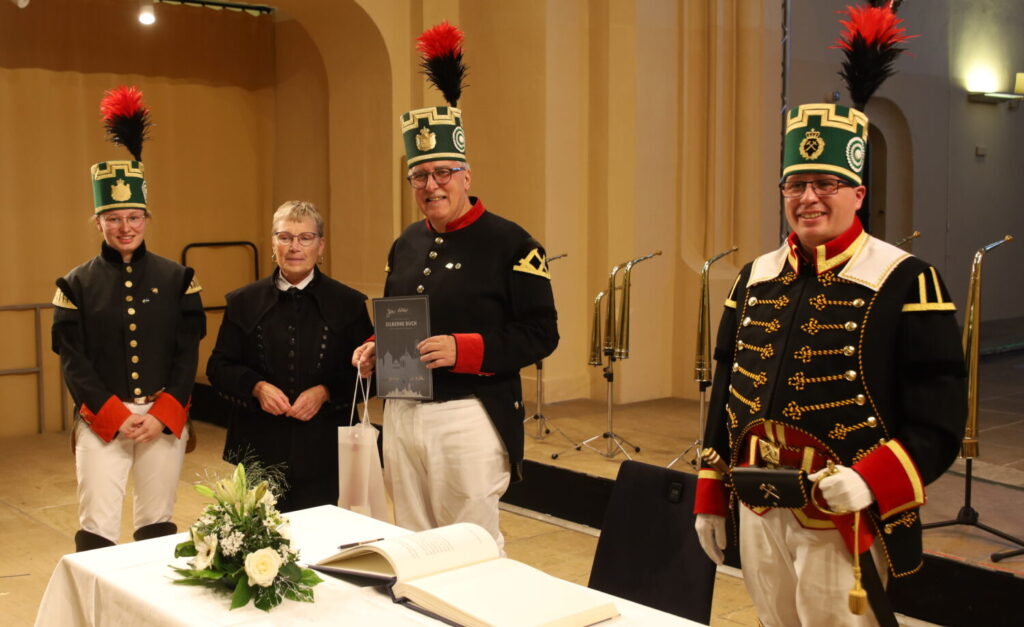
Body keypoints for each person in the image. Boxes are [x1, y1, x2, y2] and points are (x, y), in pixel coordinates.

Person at [693, 103, 967, 626]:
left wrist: (871, 480)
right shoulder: (753, 276)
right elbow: (728, 386)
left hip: (842, 512)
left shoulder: (905, 280)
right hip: (757, 504)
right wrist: (712, 485)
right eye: (795, 184)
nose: (808, 198)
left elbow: (941, 415)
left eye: (826, 183)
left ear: (858, 194)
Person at [352, 22, 559, 552]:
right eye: (419, 176)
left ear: (467, 174)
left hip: (470, 412)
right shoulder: (405, 243)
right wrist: (380, 349)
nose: (431, 185)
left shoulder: (512, 242)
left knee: (469, 545)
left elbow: (541, 334)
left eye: (443, 172)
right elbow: (402, 318)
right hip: (401, 410)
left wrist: (465, 349)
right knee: (413, 543)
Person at [52, 86, 206, 552]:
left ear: (147, 217)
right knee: (96, 528)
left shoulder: (179, 278)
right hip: (103, 420)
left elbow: (186, 353)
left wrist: (163, 414)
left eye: (134, 216)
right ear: (97, 221)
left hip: (164, 417)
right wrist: (116, 417)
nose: (125, 227)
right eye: (114, 217)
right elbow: (73, 363)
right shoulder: (74, 284)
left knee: (157, 525)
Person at [207, 200, 374, 513]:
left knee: (325, 539)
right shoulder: (243, 302)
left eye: (305, 238)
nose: (295, 247)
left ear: (320, 246)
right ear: (273, 244)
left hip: (327, 446)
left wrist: (324, 392)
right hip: (259, 443)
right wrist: (256, 387)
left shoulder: (348, 303)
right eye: (285, 237)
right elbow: (218, 367)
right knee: (261, 543)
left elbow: (372, 373)